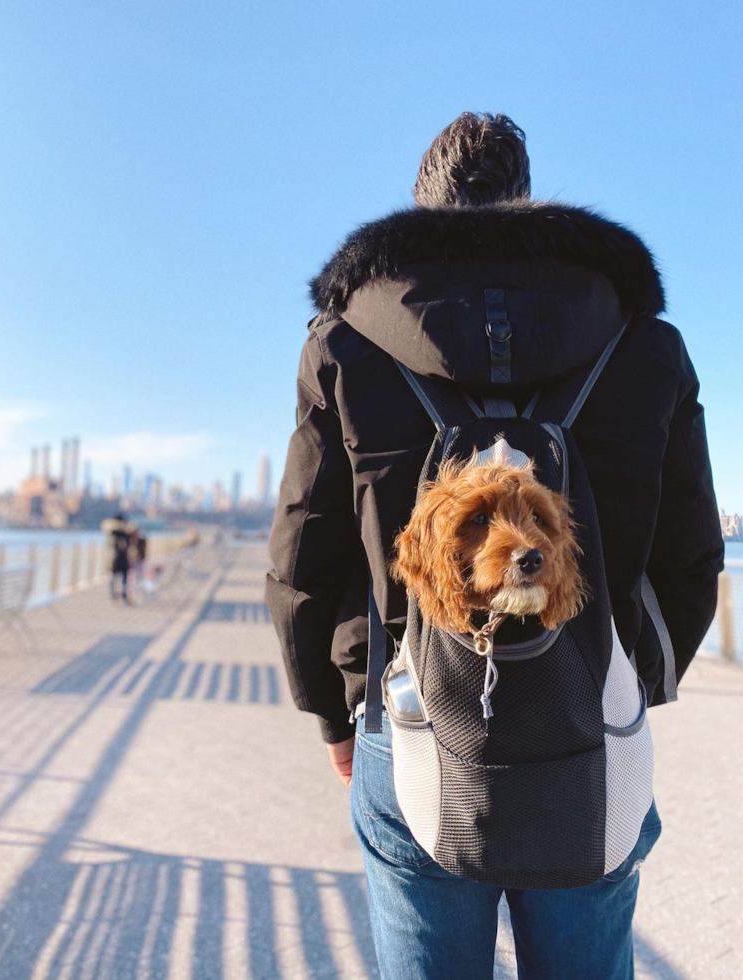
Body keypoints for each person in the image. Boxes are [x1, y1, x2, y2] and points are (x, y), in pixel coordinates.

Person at [265, 113, 723, 978]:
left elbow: (304, 554)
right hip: (590, 715)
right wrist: (635, 671)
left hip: (407, 720)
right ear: (525, 200)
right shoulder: (644, 341)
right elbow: (693, 550)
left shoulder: (346, 340)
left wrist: (336, 705)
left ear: (423, 210)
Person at [102, 512, 136, 603]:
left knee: (115, 576)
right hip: (121, 558)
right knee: (121, 577)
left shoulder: (113, 533)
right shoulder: (123, 533)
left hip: (116, 558)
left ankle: (115, 594)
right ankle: (122, 595)